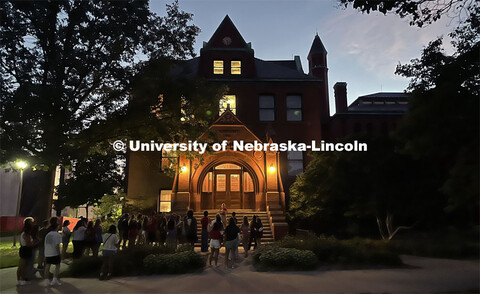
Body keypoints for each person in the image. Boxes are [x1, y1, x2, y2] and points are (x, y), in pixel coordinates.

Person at [17, 220, 38, 286]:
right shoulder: (26, 234)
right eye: (31, 223)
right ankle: (21, 280)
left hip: (24, 249)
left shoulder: (25, 233)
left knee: (22, 265)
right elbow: (29, 244)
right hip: (26, 250)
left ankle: (20, 280)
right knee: (23, 266)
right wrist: (36, 242)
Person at [43, 217, 62, 287]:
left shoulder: (48, 234)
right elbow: (57, 245)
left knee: (47, 266)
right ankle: (54, 279)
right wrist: (59, 253)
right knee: (57, 266)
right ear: (56, 227)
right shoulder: (57, 235)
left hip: (47, 252)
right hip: (54, 253)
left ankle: (46, 280)